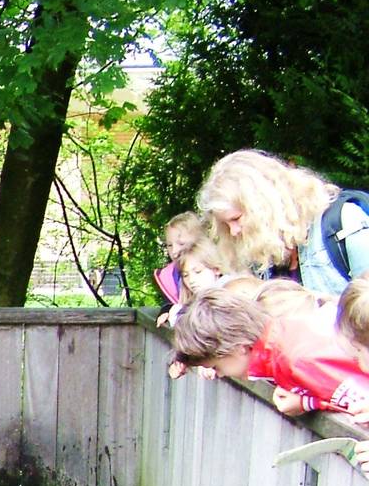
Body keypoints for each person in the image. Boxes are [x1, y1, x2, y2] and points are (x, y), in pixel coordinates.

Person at [171, 287, 369, 420]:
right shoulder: (280, 343)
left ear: (236, 346)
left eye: (216, 366)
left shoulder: (296, 358)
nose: (220, 374)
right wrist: (306, 401)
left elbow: (359, 404)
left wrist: (307, 402)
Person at [198, 149, 369, 296]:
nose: (233, 232)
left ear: (264, 206)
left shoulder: (344, 221)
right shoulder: (263, 257)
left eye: (236, 219)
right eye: (226, 225)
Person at [154, 212, 203, 326]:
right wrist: (166, 310)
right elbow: (172, 302)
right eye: (169, 245)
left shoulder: (212, 270)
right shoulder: (169, 276)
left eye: (181, 244)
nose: (174, 251)